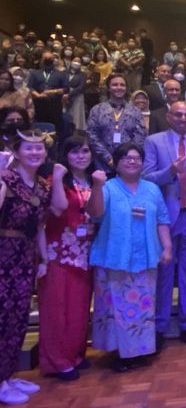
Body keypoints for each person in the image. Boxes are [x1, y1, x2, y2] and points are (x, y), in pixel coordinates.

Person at [87, 143, 172, 372]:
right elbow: (94, 214)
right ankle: (119, 353)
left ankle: (140, 350)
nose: (132, 161)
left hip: (145, 257)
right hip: (115, 256)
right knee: (116, 307)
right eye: (125, 157)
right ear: (116, 162)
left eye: (136, 157)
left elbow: (162, 219)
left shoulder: (152, 189)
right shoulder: (108, 187)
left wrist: (167, 247)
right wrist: (96, 186)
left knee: (143, 305)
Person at [142, 102, 186, 349]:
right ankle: (160, 326)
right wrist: (169, 172)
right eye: (178, 114)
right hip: (165, 219)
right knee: (164, 274)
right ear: (169, 117)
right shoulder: (154, 141)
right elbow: (146, 177)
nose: (183, 118)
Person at [0, 130, 62, 404]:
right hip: (3, 254)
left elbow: (39, 225)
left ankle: (8, 374)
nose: (35, 153)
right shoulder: (6, 179)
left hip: (25, 258)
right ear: (17, 152)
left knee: (18, 317)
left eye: (39, 149)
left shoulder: (41, 186)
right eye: (29, 148)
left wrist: (44, 259)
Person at [38, 136, 99, 382]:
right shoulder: (56, 179)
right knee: (56, 309)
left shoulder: (92, 179)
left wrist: (97, 186)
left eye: (85, 151)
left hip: (84, 253)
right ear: (65, 155)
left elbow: (95, 212)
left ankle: (74, 354)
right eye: (74, 152)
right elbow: (58, 208)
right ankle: (56, 361)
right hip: (57, 253)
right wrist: (59, 176)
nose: (81, 156)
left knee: (79, 308)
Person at [86, 74, 146, 174]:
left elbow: (140, 137)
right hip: (102, 164)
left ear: (126, 88)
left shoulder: (135, 111)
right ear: (108, 88)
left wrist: (126, 158)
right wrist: (108, 159)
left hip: (128, 164)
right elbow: (91, 135)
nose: (119, 87)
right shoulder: (97, 110)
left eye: (122, 85)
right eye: (115, 85)